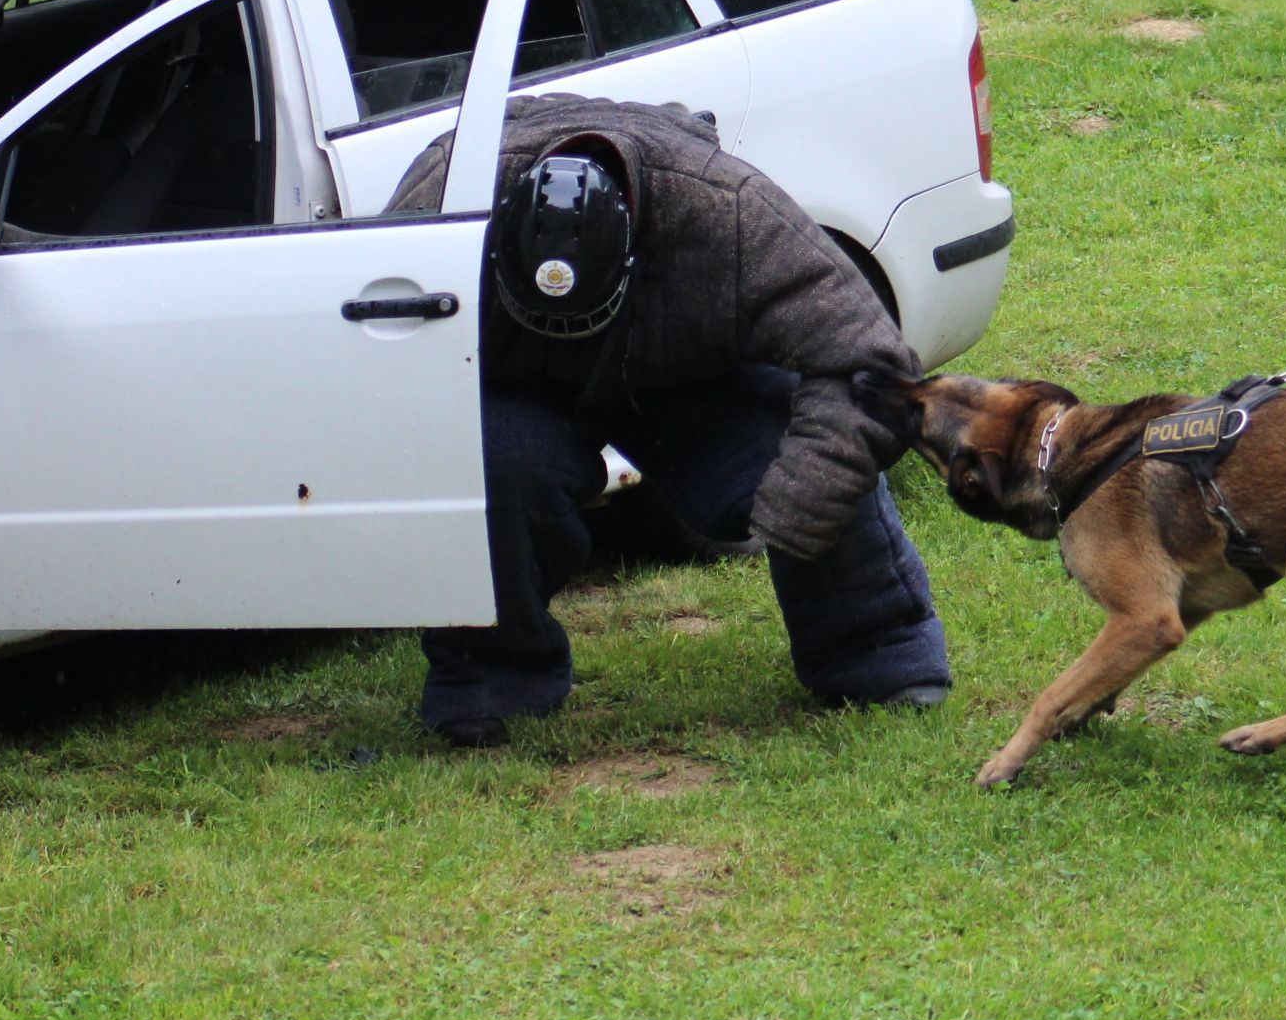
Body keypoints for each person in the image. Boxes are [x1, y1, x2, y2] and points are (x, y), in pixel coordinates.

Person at [387, 94, 951, 747]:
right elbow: (374, 367)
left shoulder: (730, 211)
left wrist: (804, 504)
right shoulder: (442, 202)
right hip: (522, 380)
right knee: (493, 467)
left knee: (807, 455)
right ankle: (491, 676)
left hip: (685, 369)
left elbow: (871, 365)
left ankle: (879, 650)